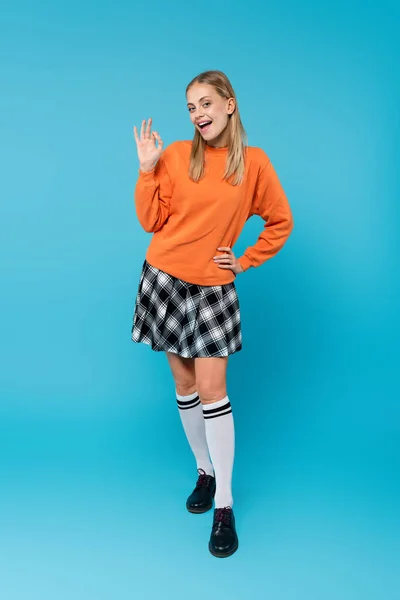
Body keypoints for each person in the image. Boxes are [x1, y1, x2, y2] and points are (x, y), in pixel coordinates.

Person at [131, 70, 294, 558]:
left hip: (212, 289)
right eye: (190, 107)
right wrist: (146, 169)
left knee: (212, 391)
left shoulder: (255, 164)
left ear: (229, 104)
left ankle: (224, 502)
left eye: (205, 103)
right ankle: (204, 470)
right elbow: (150, 221)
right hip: (164, 278)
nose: (198, 114)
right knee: (183, 386)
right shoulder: (178, 156)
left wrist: (243, 260)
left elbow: (280, 221)